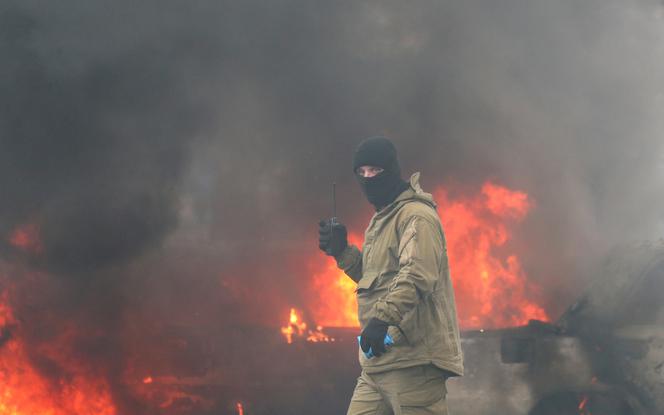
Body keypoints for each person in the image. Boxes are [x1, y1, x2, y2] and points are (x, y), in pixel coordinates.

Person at [318, 137, 463, 415]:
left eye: (374, 170)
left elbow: (418, 275)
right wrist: (342, 252)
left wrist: (382, 317)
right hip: (377, 368)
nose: (367, 178)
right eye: (361, 172)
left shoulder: (416, 216)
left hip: (414, 364)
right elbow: (378, 280)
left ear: (392, 170)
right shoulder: (381, 219)